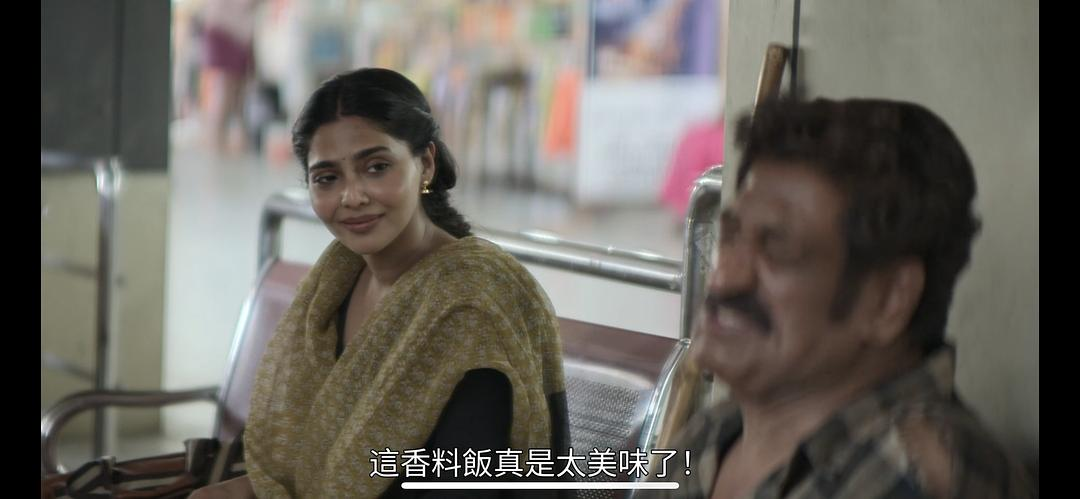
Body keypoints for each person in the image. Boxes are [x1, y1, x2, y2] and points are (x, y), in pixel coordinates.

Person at [192, 67, 570, 498]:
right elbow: (307, 466)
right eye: (327, 178)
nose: (352, 197)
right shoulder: (336, 282)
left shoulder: (472, 302)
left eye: (376, 168)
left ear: (425, 164)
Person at [642, 98, 1034, 498]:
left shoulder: (914, 471)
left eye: (778, 247)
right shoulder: (717, 432)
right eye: (731, 236)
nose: (724, 277)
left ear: (888, 299)